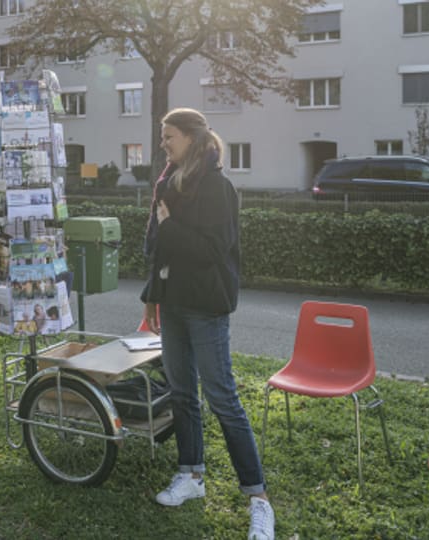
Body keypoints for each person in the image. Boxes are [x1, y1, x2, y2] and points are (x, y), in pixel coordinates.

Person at [140, 108, 274, 540]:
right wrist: (151, 301)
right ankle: (191, 476)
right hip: (174, 303)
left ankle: (258, 499)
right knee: (182, 394)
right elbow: (160, 252)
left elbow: (212, 251)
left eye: (170, 136)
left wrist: (169, 226)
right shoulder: (169, 184)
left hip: (206, 305)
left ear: (193, 139)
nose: (164, 143)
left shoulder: (217, 187)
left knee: (222, 399)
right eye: (163, 137)